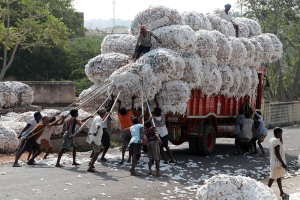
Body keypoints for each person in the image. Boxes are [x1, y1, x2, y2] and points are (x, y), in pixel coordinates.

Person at [268, 127, 289, 200]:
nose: (281, 135)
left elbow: (281, 143)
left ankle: (281, 191)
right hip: (277, 162)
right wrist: (283, 163)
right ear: (276, 134)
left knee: (278, 177)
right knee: (272, 177)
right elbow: (277, 153)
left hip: (275, 161)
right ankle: (267, 191)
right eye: (280, 133)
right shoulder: (276, 141)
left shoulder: (272, 139)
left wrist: (280, 137)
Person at [153, 95, 175, 163]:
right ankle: (171, 159)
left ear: (155, 113)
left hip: (160, 134)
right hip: (165, 133)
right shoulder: (163, 115)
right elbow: (157, 105)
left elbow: (156, 108)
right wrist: (155, 98)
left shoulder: (153, 119)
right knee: (166, 146)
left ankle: (165, 160)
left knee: (160, 147)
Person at [117, 95, 136, 164]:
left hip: (125, 132)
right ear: (126, 112)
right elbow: (132, 108)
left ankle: (122, 159)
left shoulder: (120, 117)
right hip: (131, 131)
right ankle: (129, 159)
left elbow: (118, 111)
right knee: (131, 146)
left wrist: (119, 103)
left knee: (124, 146)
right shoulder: (128, 115)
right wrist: (132, 100)